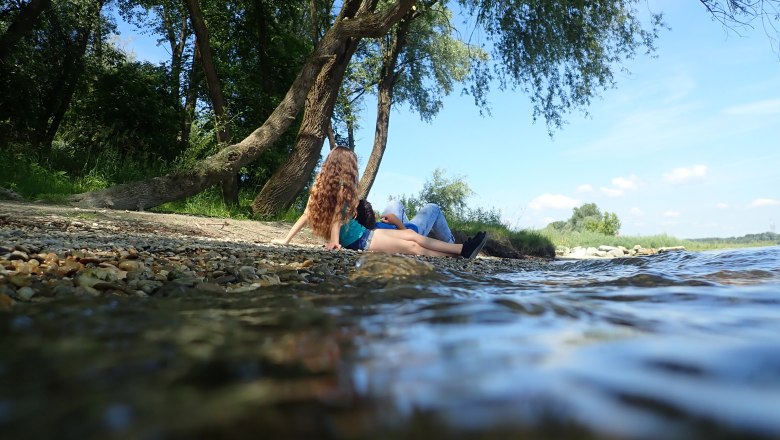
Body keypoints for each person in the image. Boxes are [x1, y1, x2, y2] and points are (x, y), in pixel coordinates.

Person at [273, 147, 487, 258]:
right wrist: (288, 240)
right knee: (412, 247)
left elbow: (321, 217)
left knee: (412, 235)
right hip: (360, 243)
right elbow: (323, 218)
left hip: (366, 234)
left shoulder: (333, 188)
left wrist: (287, 240)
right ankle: (456, 255)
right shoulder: (325, 189)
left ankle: (462, 248)